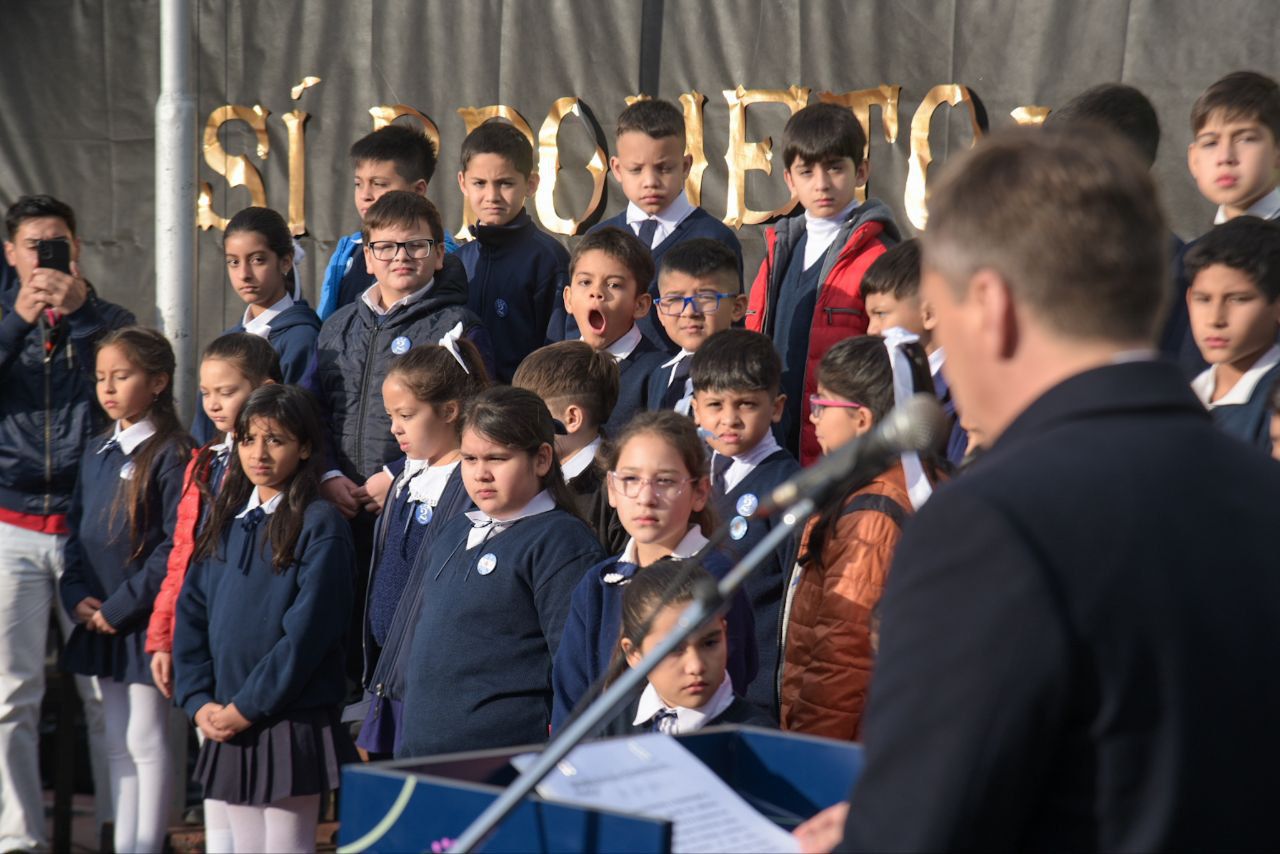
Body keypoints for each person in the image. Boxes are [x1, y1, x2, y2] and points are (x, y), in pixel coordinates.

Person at [794, 125, 1280, 852]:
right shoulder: (1261, 491)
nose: (937, 348)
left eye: (937, 315)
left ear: (989, 304)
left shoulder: (987, 523)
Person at [174, 384, 357, 854]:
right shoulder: (226, 521)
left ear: (305, 447)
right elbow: (191, 614)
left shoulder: (320, 524)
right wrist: (198, 700)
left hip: (287, 719)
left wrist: (245, 708)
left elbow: (308, 636)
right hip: (224, 715)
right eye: (249, 439)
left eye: (275, 440)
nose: (259, 453)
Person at [0, 193, 128, 851]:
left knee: (106, 695)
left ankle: (117, 828)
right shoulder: (4, 320)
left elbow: (128, 379)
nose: (46, 258)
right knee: (11, 696)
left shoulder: (105, 320)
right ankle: (19, 838)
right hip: (12, 523)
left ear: (75, 250)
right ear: (10, 253)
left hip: (90, 527)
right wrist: (17, 323)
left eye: (58, 245)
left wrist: (77, 316)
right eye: (33, 246)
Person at [397, 387, 606, 758]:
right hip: (423, 754)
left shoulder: (561, 542)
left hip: (505, 765)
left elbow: (577, 668)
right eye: (470, 458)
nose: (481, 474)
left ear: (542, 459)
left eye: (497, 458)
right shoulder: (454, 530)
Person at [59, 327, 192, 853]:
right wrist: (74, 594)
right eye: (101, 378)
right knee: (116, 741)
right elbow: (76, 530)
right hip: (100, 619)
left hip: (140, 619)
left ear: (158, 381)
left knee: (145, 738)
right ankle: (125, 844)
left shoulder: (173, 452)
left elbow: (171, 545)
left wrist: (122, 605)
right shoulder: (97, 449)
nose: (108, 388)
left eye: (123, 376)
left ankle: (146, 844)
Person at [779, 333, 942, 741]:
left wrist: (811, 751)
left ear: (863, 419)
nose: (812, 415)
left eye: (822, 403)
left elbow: (845, 654)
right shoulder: (901, 481)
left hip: (847, 742)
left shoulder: (873, 512)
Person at [552, 410, 758, 729]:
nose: (646, 498)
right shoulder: (599, 583)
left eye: (665, 481)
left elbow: (728, 690)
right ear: (611, 489)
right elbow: (571, 700)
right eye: (630, 479)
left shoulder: (716, 578)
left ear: (700, 492)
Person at [308, 190, 491, 520]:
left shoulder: (458, 328)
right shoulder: (336, 327)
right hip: (339, 503)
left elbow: (473, 417)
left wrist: (398, 474)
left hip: (419, 503)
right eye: (386, 246)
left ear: (438, 255)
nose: (400, 257)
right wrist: (328, 474)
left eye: (415, 245)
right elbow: (313, 408)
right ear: (367, 256)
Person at [351, 336, 488, 758]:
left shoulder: (468, 485)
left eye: (407, 415)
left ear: (450, 411)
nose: (395, 427)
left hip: (430, 678)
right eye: (391, 415)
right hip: (389, 674)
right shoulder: (408, 479)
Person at [745, 103, 901, 464]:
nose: (822, 183)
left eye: (835, 167)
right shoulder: (776, 251)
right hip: (771, 444)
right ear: (789, 179)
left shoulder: (879, 255)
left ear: (861, 171)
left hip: (840, 449)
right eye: (807, 171)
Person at [551, 98, 743, 351]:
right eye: (636, 169)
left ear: (685, 166)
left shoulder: (715, 237)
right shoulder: (598, 238)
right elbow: (578, 325)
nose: (650, 181)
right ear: (617, 169)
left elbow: (731, 328)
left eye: (664, 168)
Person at [688, 329, 798, 715]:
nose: (729, 419)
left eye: (746, 404)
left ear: (778, 406)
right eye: (715, 404)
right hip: (695, 685)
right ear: (695, 409)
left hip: (760, 694)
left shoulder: (788, 487)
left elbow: (798, 605)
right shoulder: (691, 476)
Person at [595, 559, 773, 737]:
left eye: (710, 643)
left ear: (724, 632)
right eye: (673, 649)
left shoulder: (759, 738)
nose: (696, 666)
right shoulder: (611, 725)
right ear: (633, 653)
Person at [191, 207, 319, 443]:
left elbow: (299, 427)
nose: (244, 274)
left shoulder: (302, 339)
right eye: (233, 262)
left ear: (286, 261)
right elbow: (203, 434)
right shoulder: (228, 341)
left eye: (257, 260)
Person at [454, 120, 569, 382]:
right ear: (463, 183)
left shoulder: (548, 260)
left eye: (505, 183)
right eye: (479, 183)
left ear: (530, 184)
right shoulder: (457, 262)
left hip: (521, 412)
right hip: (461, 413)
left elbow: (556, 354)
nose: (492, 195)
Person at [317, 124, 459, 321]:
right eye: (358, 184)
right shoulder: (346, 253)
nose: (365, 195)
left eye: (379, 184)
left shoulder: (447, 259)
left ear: (418, 189)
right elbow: (326, 324)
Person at [511, 340, 625, 551]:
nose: (518, 427)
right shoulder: (524, 477)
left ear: (572, 418)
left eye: (531, 415)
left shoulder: (617, 491)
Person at [862, 239, 967, 464]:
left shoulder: (963, 397)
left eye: (881, 314)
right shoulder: (891, 384)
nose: (871, 330)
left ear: (929, 313)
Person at [560, 227, 669, 435]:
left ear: (641, 305)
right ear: (568, 298)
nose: (597, 293)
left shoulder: (657, 374)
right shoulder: (551, 366)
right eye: (585, 282)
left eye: (614, 285)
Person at [1185, 216, 1280, 448]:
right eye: (1203, 299)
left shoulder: (1272, 403)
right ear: (1188, 300)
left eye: (1238, 299)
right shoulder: (1186, 394)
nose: (1215, 319)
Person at [645, 238, 747, 415]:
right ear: (660, 311)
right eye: (675, 299)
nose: (690, 311)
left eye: (706, 297)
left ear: (737, 307)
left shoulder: (751, 373)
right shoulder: (659, 376)